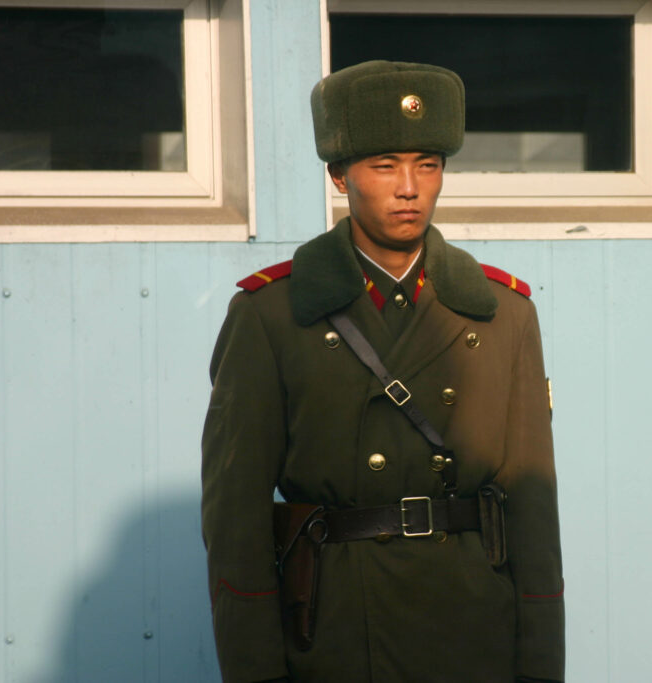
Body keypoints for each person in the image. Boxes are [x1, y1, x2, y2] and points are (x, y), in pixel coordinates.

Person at [201, 60, 564, 683]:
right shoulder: (272, 315)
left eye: (428, 164)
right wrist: (255, 670)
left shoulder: (503, 313)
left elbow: (533, 508)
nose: (410, 188)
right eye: (383, 166)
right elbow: (235, 519)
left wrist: (538, 666)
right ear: (339, 177)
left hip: (472, 628)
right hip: (337, 629)